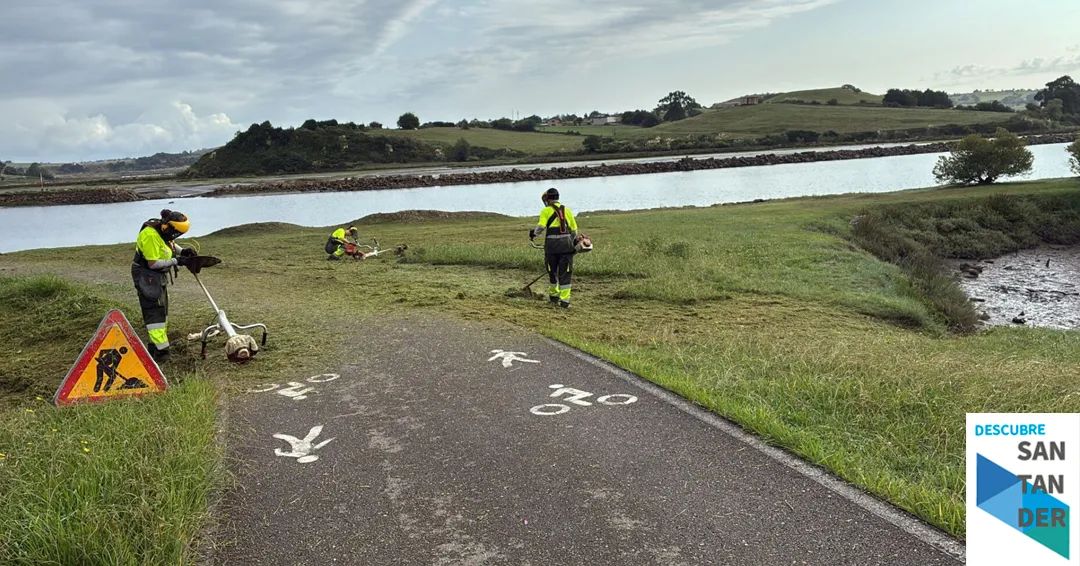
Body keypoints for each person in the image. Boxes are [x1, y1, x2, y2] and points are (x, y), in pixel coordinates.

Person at [131, 209, 194, 362]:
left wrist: (182, 251)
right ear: (169, 227)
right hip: (147, 275)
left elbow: (167, 243)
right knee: (155, 313)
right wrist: (177, 261)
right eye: (176, 233)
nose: (176, 236)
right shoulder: (150, 235)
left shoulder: (163, 231)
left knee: (162, 311)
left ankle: (153, 348)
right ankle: (161, 354)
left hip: (158, 276)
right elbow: (153, 263)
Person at [529, 188, 579, 308]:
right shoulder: (567, 210)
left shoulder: (546, 211)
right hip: (566, 247)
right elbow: (574, 231)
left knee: (552, 272)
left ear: (548, 199)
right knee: (565, 273)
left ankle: (554, 298)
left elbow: (541, 227)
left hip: (551, 248)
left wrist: (533, 234)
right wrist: (570, 242)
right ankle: (565, 302)